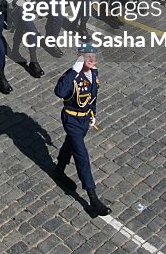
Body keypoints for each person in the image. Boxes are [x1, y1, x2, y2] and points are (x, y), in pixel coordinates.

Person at [52, 50, 111, 217]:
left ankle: (59, 170)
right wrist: (73, 70)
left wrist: (93, 113)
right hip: (72, 120)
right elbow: (60, 92)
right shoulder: (72, 76)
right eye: (87, 57)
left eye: (93, 56)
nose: (92, 60)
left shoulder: (94, 73)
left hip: (85, 119)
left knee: (70, 144)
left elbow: (93, 96)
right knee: (81, 155)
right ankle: (93, 200)